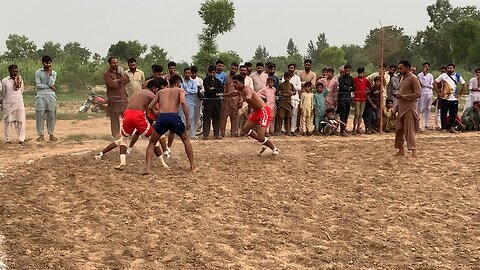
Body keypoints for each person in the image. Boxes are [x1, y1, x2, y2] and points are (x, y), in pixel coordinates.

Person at [97, 84, 169, 171]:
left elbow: (148, 111)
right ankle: (163, 162)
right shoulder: (150, 94)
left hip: (128, 114)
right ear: (154, 88)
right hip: (139, 116)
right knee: (154, 140)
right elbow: (158, 107)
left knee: (123, 140)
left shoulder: (138, 93)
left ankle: (122, 162)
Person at [217, 74, 279, 156]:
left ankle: (274, 148)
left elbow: (249, 94)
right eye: (233, 82)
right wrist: (222, 95)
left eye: (236, 82)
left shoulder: (246, 89)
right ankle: (264, 142)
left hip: (264, 112)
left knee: (260, 137)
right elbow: (232, 93)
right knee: (245, 129)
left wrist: (248, 98)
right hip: (257, 112)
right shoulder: (239, 90)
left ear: (241, 82)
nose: (234, 84)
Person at [144, 74, 195, 174]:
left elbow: (150, 107)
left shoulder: (161, 92)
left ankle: (147, 168)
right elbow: (184, 103)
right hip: (174, 116)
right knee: (185, 139)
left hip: (162, 117)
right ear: (177, 83)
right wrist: (188, 120)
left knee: (152, 143)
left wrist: (157, 115)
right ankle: (192, 166)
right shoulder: (180, 91)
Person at [394, 60, 421, 158]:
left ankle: (414, 152)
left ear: (407, 68)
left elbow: (418, 94)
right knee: (399, 130)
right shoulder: (402, 78)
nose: (399, 70)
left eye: (401, 68)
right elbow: (401, 94)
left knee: (409, 130)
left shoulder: (413, 78)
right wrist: (396, 108)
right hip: (401, 108)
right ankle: (400, 149)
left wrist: (404, 97)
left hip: (409, 108)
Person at [433, 63, 466, 133]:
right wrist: (438, 93)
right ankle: (444, 128)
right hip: (445, 98)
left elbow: (464, 85)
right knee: (443, 113)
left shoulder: (458, 76)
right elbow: (434, 83)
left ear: (454, 69)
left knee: (453, 114)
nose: (449, 69)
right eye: (448, 68)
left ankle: (452, 127)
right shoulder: (443, 76)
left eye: (451, 68)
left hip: (454, 98)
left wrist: (459, 95)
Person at [103, 56, 129, 138]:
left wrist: (118, 80)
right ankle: (115, 135)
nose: (116, 64)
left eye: (117, 62)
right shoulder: (106, 74)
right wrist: (121, 82)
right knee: (114, 118)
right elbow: (111, 85)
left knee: (126, 117)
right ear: (110, 63)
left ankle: (126, 133)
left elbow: (127, 79)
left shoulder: (121, 71)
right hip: (113, 99)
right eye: (114, 63)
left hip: (123, 98)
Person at [35, 55, 58, 142]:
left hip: (51, 95)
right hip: (40, 95)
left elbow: (52, 83)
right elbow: (38, 85)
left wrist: (49, 75)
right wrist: (49, 86)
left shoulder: (54, 73)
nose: (48, 64)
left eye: (49, 63)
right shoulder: (38, 72)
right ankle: (41, 135)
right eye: (46, 63)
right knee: (40, 114)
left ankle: (51, 134)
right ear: (43, 63)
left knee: (51, 115)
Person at [2, 64, 26, 144]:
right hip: (8, 103)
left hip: (19, 102)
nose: (15, 73)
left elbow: (21, 90)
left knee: (20, 121)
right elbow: (4, 92)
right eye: (13, 71)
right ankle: (7, 139)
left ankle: (21, 139)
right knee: (8, 122)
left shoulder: (20, 79)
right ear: (9, 71)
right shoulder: (5, 81)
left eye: (16, 71)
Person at [203, 66, 224, 139]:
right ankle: (205, 135)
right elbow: (207, 90)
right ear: (208, 72)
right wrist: (215, 90)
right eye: (211, 72)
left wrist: (214, 89)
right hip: (208, 102)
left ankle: (216, 134)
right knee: (207, 118)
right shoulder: (205, 80)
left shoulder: (218, 81)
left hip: (217, 102)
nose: (212, 74)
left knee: (217, 118)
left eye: (213, 72)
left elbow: (222, 89)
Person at [220, 63, 240, 137]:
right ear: (230, 68)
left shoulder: (238, 78)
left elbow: (240, 90)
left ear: (237, 70)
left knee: (234, 117)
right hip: (227, 100)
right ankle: (222, 133)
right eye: (232, 68)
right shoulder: (226, 77)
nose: (233, 70)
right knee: (224, 117)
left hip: (235, 100)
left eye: (235, 69)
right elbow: (224, 89)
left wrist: (240, 100)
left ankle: (233, 133)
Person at [282, 64, 302, 134]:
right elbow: (282, 86)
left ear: (294, 69)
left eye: (292, 68)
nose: (290, 69)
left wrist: (291, 88)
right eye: (289, 68)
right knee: (285, 114)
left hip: (294, 98)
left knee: (294, 114)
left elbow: (299, 87)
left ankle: (292, 129)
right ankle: (284, 129)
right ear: (288, 69)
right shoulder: (284, 77)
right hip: (286, 98)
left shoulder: (297, 78)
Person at [180, 67, 199, 139]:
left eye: (189, 73)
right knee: (182, 117)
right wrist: (188, 91)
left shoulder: (193, 82)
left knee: (191, 117)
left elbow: (195, 91)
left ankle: (191, 134)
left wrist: (186, 90)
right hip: (183, 101)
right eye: (186, 73)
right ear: (184, 73)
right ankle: (182, 133)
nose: (187, 74)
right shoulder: (181, 82)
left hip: (191, 101)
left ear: (191, 74)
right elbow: (181, 90)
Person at [337, 64, 356, 136]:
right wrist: (349, 88)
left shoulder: (351, 78)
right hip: (342, 98)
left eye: (348, 70)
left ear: (350, 70)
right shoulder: (341, 78)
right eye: (346, 70)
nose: (347, 72)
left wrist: (347, 88)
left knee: (347, 114)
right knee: (342, 114)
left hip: (348, 98)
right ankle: (342, 130)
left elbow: (354, 88)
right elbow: (342, 87)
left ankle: (344, 127)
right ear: (344, 70)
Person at [353, 67, 371, 134]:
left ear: (364, 73)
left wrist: (367, 93)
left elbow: (370, 87)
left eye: (362, 73)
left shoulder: (366, 80)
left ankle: (358, 128)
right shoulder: (355, 79)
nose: (360, 74)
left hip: (363, 99)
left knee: (361, 114)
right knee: (357, 114)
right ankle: (354, 128)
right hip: (357, 98)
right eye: (359, 73)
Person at [417, 62, 434, 130]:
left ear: (428, 67)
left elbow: (432, 85)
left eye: (426, 66)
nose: (425, 67)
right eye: (424, 66)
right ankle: (418, 124)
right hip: (422, 92)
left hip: (429, 92)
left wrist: (427, 85)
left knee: (428, 108)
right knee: (420, 108)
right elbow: (422, 84)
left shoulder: (430, 75)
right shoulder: (420, 75)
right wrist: (427, 85)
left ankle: (427, 124)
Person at [191, 65, 204, 135]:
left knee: (197, 115)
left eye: (194, 73)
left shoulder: (199, 80)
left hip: (197, 99)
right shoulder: (187, 80)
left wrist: (199, 90)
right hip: (189, 99)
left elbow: (203, 89)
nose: (193, 74)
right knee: (190, 115)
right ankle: (190, 132)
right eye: (192, 73)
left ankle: (194, 131)